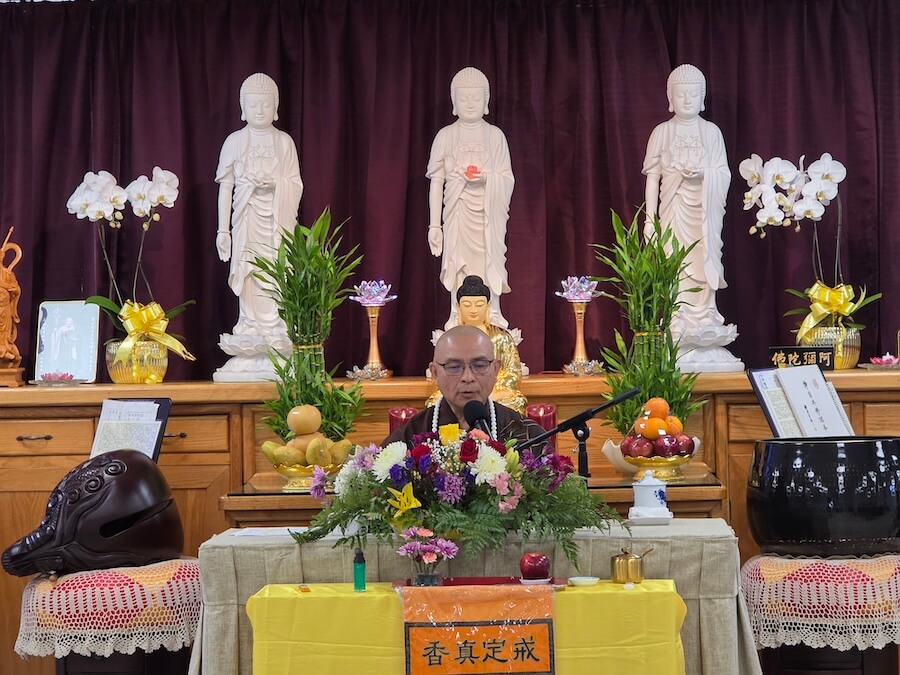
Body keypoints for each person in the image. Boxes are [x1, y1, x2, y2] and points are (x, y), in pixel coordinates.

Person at [642, 64, 731, 331]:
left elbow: (723, 173)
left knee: (705, 257)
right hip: (673, 210)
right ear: (670, 97)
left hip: (704, 213)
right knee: (674, 261)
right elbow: (652, 178)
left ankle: (706, 314)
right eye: (681, 94)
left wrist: (703, 173)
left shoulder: (712, 132)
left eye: (693, 94)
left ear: (702, 97)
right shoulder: (661, 132)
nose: (687, 100)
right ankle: (677, 315)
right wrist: (650, 220)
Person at [215, 72, 304, 338]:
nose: (260, 110)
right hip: (246, 219)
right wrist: (223, 231)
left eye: (266, 104)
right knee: (249, 270)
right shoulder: (234, 141)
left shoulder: (284, 142)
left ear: (275, 107)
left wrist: (275, 184)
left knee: (278, 270)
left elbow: (295, 183)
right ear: (243, 107)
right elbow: (226, 187)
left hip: (276, 222)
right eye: (253, 104)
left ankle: (276, 324)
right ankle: (249, 323)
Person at [427, 66, 515, 329]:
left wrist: (486, 178)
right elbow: (436, 182)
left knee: (490, 261)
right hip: (457, 212)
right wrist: (434, 226)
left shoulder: (495, 136)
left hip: (488, 215)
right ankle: (457, 313)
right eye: (463, 98)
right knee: (458, 265)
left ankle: (493, 311)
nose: (469, 103)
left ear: (486, 101)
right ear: (454, 102)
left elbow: (507, 178)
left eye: (476, 98)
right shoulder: (445, 136)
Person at [383, 325, 543, 449]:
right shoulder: (408, 439)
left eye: (479, 365)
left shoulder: (526, 434)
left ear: (495, 370)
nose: (468, 377)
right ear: (435, 373)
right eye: (454, 367)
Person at [427, 275, 526, 413]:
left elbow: (512, 373)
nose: (473, 310)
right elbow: (440, 373)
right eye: (467, 305)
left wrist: (489, 390)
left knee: (515, 401)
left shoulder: (501, 337)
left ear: (488, 306)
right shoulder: (449, 340)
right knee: (434, 403)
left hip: (493, 393)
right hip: (457, 392)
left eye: (479, 305)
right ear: (458, 307)